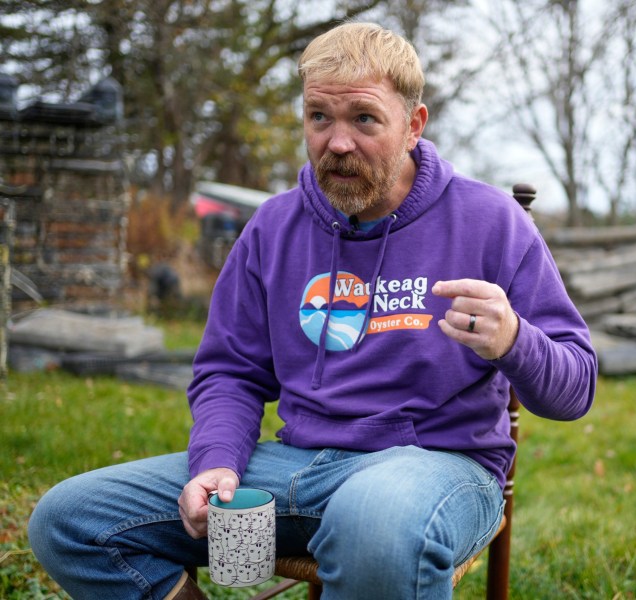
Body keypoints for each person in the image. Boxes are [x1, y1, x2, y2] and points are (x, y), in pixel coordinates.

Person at [28, 21, 596, 600]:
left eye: (364, 119)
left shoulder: (491, 221)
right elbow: (230, 371)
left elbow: (574, 392)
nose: (337, 142)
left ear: (413, 125)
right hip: (293, 469)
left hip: (438, 469)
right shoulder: (273, 228)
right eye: (319, 117)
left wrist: (515, 340)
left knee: (372, 526)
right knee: (71, 520)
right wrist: (218, 460)